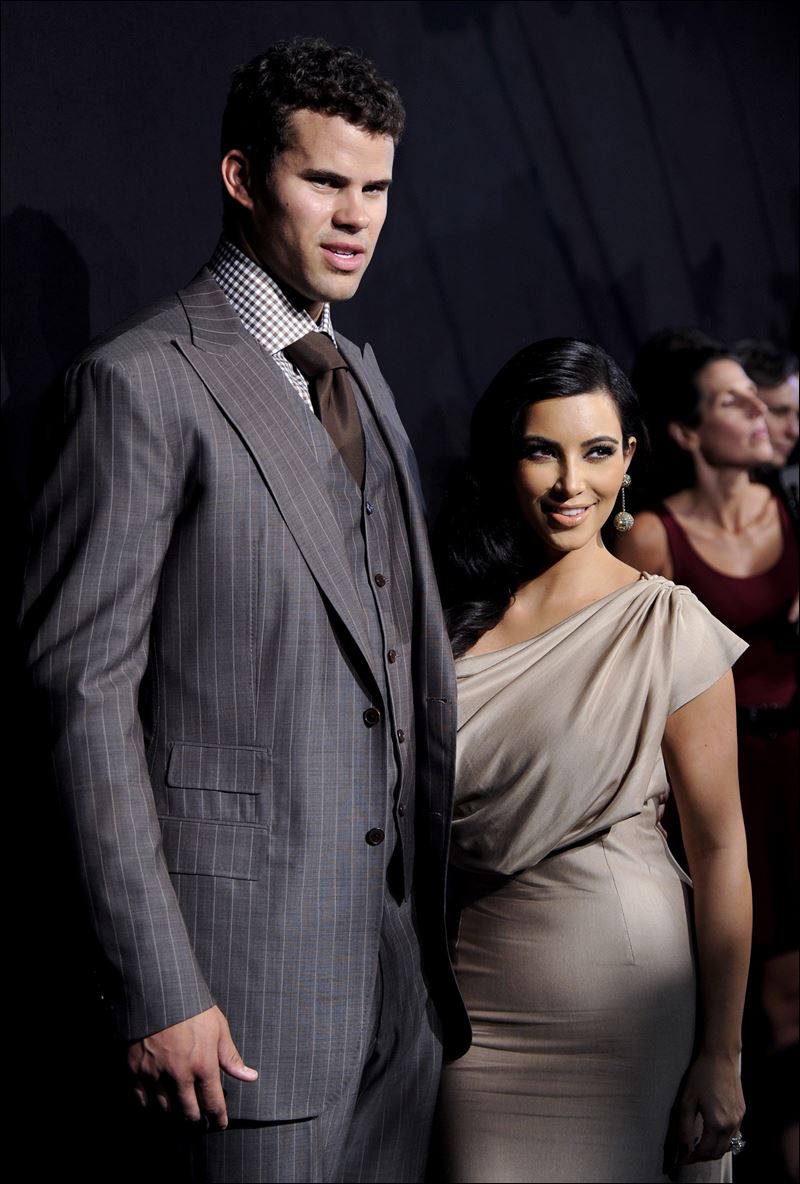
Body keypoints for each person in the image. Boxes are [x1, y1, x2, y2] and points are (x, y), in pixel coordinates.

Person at [19, 37, 468, 1184]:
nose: (355, 217)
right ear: (242, 177)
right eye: (324, 181)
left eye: (375, 188)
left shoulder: (361, 376)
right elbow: (79, 698)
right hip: (237, 996)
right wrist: (157, 983)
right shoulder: (139, 381)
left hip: (395, 990)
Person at [431, 338, 751, 1183]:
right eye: (544, 451)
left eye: (598, 452)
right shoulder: (446, 620)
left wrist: (723, 1053)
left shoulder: (668, 625)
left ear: (630, 458)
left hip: (627, 1002)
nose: (572, 483)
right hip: (476, 1008)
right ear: (507, 458)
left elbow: (722, 851)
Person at [616, 339, 799, 1182]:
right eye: (733, 400)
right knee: (755, 998)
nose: (760, 410)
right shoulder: (653, 536)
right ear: (686, 433)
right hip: (724, 780)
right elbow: (627, 686)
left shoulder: (788, 503)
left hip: (794, 763)